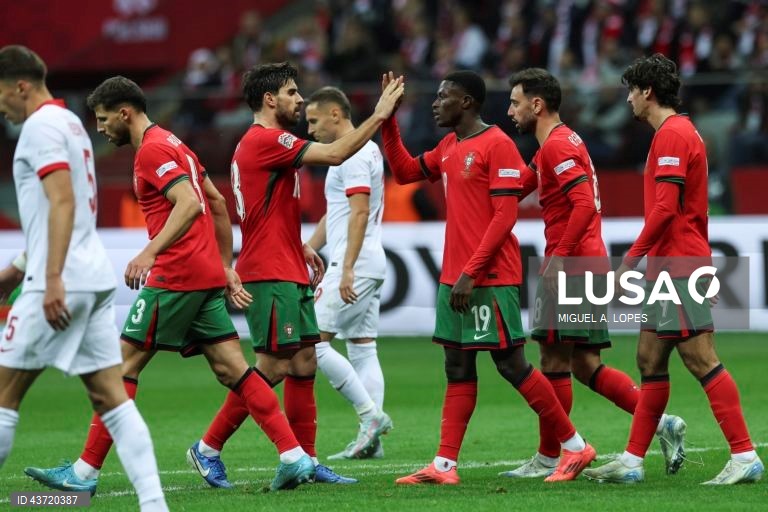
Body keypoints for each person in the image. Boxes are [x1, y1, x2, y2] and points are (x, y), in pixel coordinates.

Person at [24, 75, 313, 493]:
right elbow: (216, 202)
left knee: (122, 366)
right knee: (233, 369)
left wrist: (150, 252)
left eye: (103, 119)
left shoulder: (152, 150)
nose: (100, 128)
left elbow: (190, 203)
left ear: (125, 113)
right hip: (203, 273)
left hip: (176, 274)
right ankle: (293, 455)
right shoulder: (176, 143)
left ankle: (84, 474)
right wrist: (222, 265)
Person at [187, 62, 404, 486]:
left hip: (288, 266)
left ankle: (307, 460)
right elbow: (336, 153)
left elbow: (272, 210)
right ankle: (208, 447)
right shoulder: (266, 140)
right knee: (272, 367)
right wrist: (379, 115)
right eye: (291, 92)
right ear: (269, 100)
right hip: (269, 272)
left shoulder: (266, 144)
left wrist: (301, 246)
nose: (300, 99)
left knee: (305, 362)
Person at [381, 69, 595, 485]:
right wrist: (388, 119)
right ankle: (444, 466)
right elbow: (405, 171)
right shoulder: (449, 146)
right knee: (457, 365)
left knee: (512, 364)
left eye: (443, 96)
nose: (435, 103)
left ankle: (574, 445)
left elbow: (504, 216)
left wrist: (472, 272)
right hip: (455, 275)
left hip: (489, 276)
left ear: (466, 102)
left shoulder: (497, 145)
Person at [0, 46, 168, 511]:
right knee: (113, 400)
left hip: (60, 280)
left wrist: (50, 276)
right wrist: (17, 269)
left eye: (0, 94)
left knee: (4, 395)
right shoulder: (71, 123)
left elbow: (62, 202)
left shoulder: (39, 128)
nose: (0, 107)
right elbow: (56, 210)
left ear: (20, 86)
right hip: (89, 277)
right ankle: (154, 505)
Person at [583, 54, 764, 484]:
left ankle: (744, 455)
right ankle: (632, 461)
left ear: (647, 92)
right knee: (649, 358)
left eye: (631, 91)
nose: (628, 99)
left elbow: (665, 210)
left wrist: (629, 261)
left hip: (677, 264)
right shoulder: (676, 132)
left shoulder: (673, 135)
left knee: (700, 358)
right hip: (672, 263)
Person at [501, 67, 687, 479]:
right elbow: (519, 185)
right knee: (584, 363)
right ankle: (660, 422)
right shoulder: (560, 142)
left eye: (515, 103)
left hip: (572, 266)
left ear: (537, 104)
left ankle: (551, 455)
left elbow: (583, 204)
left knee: (552, 358)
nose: (510, 111)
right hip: (589, 263)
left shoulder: (556, 146)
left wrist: (559, 258)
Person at [304, 86, 392, 460]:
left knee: (312, 342)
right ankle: (371, 442)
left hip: (354, 263)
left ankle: (371, 416)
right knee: (362, 347)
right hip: (369, 260)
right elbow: (337, 211)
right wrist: (310, 245)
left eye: (314, 120)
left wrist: (348, 268)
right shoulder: (361, 150)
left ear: (336, 114)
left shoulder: (352, 155)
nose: (310, 130)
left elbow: (359, 211)